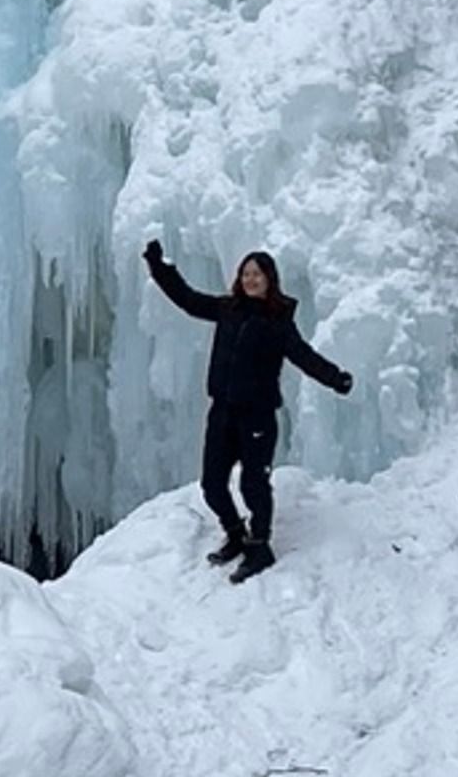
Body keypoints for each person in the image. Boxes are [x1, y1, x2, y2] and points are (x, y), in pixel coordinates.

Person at [143, 239, 352, 583]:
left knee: (254, 485)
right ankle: (236, 533)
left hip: (257, 416)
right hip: (222, 412)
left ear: (270, 279)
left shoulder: (278, 322)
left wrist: (335, 378)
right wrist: (159, 267)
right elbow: (188, 300)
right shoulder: (228, 309)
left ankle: (260, 548)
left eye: (257, 274)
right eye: (245, 273)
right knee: (212, 485)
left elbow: (303, 356)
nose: (250, 279)